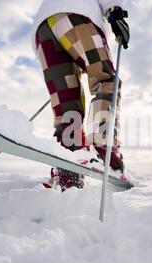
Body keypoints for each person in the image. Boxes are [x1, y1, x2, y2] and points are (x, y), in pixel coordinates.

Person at [31, 0, 130, 190]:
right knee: (107, 81)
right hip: (77, 16)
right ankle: (103, 148)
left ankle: (68, 163)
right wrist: (115, 9)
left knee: (67, 105)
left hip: (43, 31)